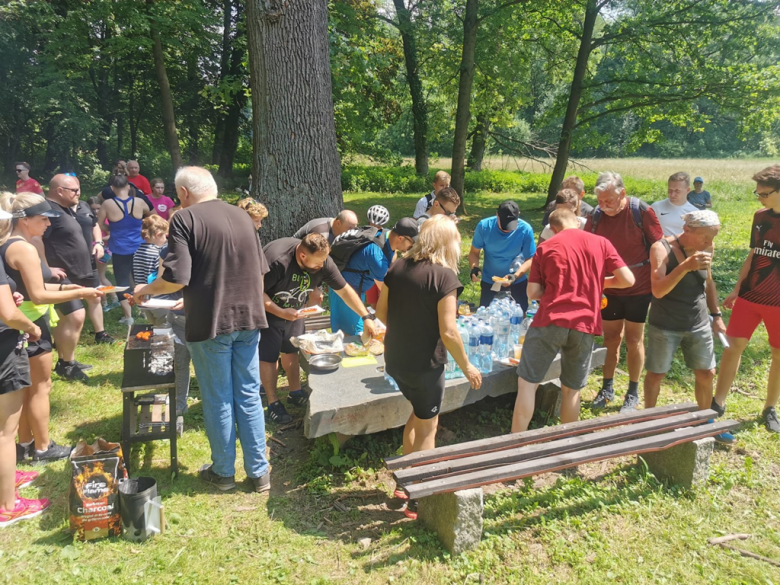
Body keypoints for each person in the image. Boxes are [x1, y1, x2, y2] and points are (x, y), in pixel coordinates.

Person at [134, 166, 271, 492]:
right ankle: (259, 473)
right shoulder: (242, 216)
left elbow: (177, 277)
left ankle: (223, 473)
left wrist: (145, 291)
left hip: (212, 324)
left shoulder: (184, 218)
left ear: (182, 192)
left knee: (218, 397)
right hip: (249, 318)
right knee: (250, 394)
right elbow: (256, 270)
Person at [376, 215, 482, 519]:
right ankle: (419, 494)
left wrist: (407, 332)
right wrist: (467, 367)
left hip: (396, 359)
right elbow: (448, 331)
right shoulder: (445, 277)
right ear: (449, 243)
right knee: (428, 428)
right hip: (426, 365)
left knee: (418, 413)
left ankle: (404, 480)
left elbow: (381, 313)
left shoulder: (397, 267)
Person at [0, 193, 102, 463]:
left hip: (19, 323)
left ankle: (25, 444)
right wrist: (79, 294)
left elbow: (34, 287)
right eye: (43, 219)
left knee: (25, 389)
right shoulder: (23, 247)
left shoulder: (9, 244)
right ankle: (44, 448)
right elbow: (38, 295)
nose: (48, 224)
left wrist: (69, 288)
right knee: (41, 387)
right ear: (25, 220)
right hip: (30, 324)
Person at [512, 209, 634, 433]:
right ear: (578, 222)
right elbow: (628, 279)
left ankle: (515, 444)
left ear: (553, 229)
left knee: (527, 385)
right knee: (572, 389)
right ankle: (566, 445)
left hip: (550, 319)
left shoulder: (546, 247)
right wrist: (594, 283)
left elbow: (532, 292)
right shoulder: (601, 243)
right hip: (585, 323)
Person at [261, 234, 378, 424]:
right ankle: (273, 402)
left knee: (291, 348)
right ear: (302, 256)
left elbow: (345, 291)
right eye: (317, 264)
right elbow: (256, 292)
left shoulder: (323, 261)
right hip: (268, 311)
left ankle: (295, 392)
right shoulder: (277, 260)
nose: (321, 267)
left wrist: (366, 316)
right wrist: (280, 312)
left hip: (295, 311)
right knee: (269, 355)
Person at [644, 211, 730, 438]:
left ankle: (705, 422)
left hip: (698, 322)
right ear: (688, 230)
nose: (709, 243)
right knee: (656, 374)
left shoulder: (707, 248)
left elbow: (708, 283)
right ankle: (648, 424)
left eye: (712, 238)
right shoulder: (660, 249)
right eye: (705, 237)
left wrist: (716, 315)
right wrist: (684, 267)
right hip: (665, 324)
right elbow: (658, 291)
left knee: (707, 373)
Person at [586, 172, 663, 413]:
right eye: (600, 201)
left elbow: (659, 245)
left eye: (609, 200)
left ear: (622, 193)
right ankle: (607, 387)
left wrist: (659, 278)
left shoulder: (641, 211)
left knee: (633, 339)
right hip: (609, 287)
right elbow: (586, 247)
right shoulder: (596, 216)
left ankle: (632, 391)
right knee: (610, 339)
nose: (604, 206)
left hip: (639, 287)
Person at [714, 165, 780, 435]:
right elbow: (754, 255)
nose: (759, 197)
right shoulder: (760, 216)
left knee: (778, 354)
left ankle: (770, 408)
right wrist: (737, 289)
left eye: (764, 193)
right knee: (732, 348)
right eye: (757, 193)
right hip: (750, 297)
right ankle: (717, 402)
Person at [37, 175, 115, 384]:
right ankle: (68, 365)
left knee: (73, 315)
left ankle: (65, 361)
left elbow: (93, 224)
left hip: (84, 268)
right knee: (75, 316)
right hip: (62, 273)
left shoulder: (79, 206)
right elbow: (38, 239)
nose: (78, 193)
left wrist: (98, 242)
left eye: (79, 189)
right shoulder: (47, 210)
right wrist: (46, 268)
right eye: (73, 190)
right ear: (59, 191)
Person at [0, 240, 49, 527]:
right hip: (4, 345)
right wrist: (30, 327)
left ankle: (6, 478)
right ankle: (8, 505)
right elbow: (8, 315)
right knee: (6, 430)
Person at [132, 215, 191, 432]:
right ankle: (178, 404)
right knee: (180, 361)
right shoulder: (165, 252)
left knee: (187, 363)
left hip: (193, 315)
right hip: (177, 314)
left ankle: (180, 402)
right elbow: (162, 280)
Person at [329, 218, 417, 336]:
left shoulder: (385, 235)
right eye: (411, 242)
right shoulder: (377, 257)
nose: (412, 246)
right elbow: (386, 291)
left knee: (354, 333)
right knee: (354, 335)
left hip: (355, 289)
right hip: (345, 293)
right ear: (400, 238)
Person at [98, 174, 152, 326]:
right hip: (140, 248)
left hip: (120, 249)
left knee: (122, 282)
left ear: (113, 188)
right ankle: (144, 311)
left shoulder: (108, 204)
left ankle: (128, 317)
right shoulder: (139, 202)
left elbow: (99, 224)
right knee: (141, 280)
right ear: (128, 187)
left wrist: (112, 229)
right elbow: (151, 215)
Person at [469, 201, 535, 311]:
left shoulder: (525, 229)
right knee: (486, 317)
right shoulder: (484, 226)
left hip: (517, 281)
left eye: (510, 225)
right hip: (490, 282)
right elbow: (474, 252)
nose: (507, 229)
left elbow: (530, 259)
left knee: (519, 318)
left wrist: (515, 276)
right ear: (497, 215)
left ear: (518, 214)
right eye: (504, 225)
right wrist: (474, 267)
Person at [87, 196, 119, 310]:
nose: (96, 211)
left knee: (100, 276)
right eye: (93, 209)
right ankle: (106, 300)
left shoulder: (104, 220)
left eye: (98, 208)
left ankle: (112, 298)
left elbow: (111, 235)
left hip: (104, 250)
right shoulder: (88, 219)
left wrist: (97, 240)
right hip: (93, 250)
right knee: (98, 276)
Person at [651, 172, 699, 237]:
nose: (672, 195)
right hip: (659, 245)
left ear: (688, 190)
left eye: (677, 191)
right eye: (670, 190)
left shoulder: (695, 213)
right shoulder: (656, 207)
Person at [365, 205, 391, 308]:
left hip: (382, 271)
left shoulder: (388, 234)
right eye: (373, 224)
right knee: (373, 303)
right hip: (368, 272)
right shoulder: (364, 233)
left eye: (379, 226)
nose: (375, 227)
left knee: (384, 302)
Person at [293, 210, 358, 244]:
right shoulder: (322, 234)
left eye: (355, 228)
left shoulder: (336, 227)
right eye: (350, 228)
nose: (353, 231)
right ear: (338, 223)